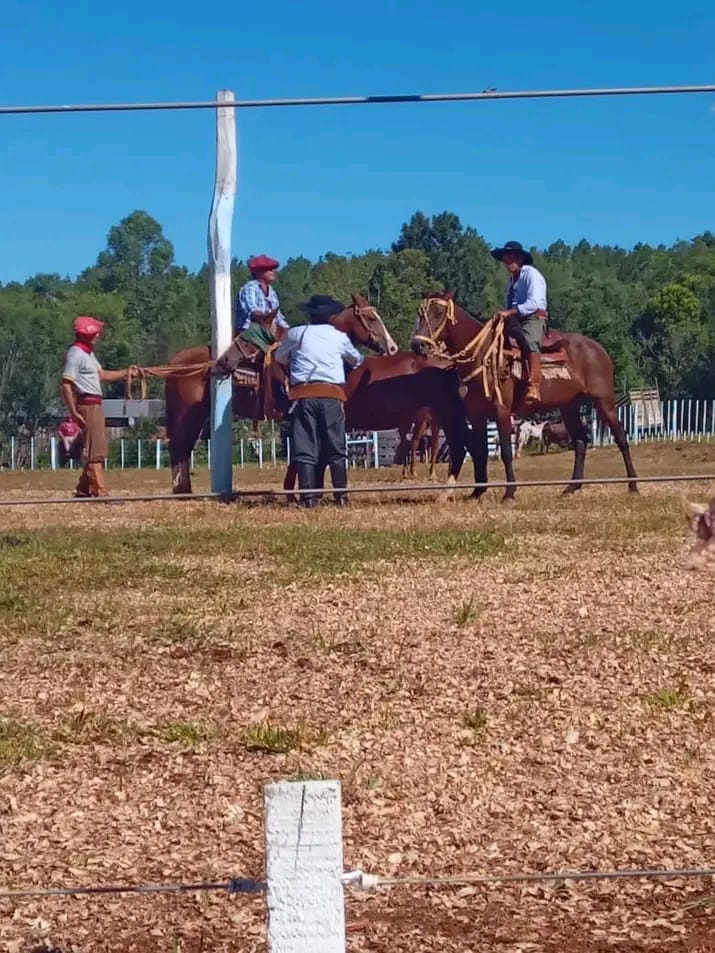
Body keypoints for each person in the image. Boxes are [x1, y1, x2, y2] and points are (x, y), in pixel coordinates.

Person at [274, 295, 363, 507]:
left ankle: (309, 498)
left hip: (304, 396)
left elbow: (279, 358)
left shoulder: (296, 333)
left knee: (305, 448)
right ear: (332, 316)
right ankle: (341, 497)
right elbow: (356, 359)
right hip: (331, 396)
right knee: (336, 448)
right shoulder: (339, 337)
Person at [60, 316, 133, 497]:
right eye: (94, 332)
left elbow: (103, 375)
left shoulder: (88, 354)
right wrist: (73, 411)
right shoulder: (75, 354)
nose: (98, 335)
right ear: (83, 335)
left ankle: (83, 489)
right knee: (96, 450)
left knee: (96, 445)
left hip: (96, 404)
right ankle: (100, 491)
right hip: (87, 404)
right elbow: (66, 384)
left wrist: (127, 373)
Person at [491, 240, 548, 404]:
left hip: (534, 316)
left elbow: (534, 303)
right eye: (506, 258)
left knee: (530, 340)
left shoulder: (531, 274)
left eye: (512, 258)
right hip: (515, 318)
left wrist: (509, 312)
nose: (508, 262)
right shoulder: (510, 282)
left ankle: (534, 385)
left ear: (520, 259)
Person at [235, 254, 290, 352]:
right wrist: (268, 317)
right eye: (269, 269)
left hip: (267, 334)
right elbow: (253, 312)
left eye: (273, 269)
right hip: (249, 333)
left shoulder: (272, 292)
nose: (273, 272)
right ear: (258, 272)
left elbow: (278, 317)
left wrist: (287, 330)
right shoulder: (250, 288)